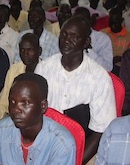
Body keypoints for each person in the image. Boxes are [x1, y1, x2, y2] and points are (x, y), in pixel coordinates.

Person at [35, 17, 116, 163]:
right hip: (45, 144)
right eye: (64, 34)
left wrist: (75, 162)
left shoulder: (99, 78)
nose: (66, 40)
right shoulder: (43, 68)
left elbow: (101, 132)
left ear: (86, 42)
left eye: (74, 36)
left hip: (84, 149)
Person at [0, 73, 76, 164]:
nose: (15, 110)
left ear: (43, 106)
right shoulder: (1, 131)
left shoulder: (62, 145)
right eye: (12, 102)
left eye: (25, 103)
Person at [0, 33, 42, 129]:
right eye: (22, 50)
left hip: (35, 124)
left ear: (39, 51)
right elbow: (2, 104)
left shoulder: (47, 72)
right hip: (11, 119)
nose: (25, 54)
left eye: (29, 50)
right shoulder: (14, 69)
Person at [101, 7, 130, 75]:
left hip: (121, 69)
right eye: (111, 23)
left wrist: (120, 58)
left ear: (122, 21)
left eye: (116, 23)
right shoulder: (103, 33)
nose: (113, 26)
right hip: (104, 66)